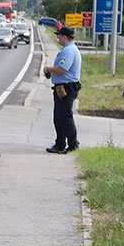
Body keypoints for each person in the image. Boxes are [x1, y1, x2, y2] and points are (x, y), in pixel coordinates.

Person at [43, 24, 82, 154]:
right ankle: (60, 143)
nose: (58, 39)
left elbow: (62, 69)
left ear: (64, 37)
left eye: (59, 36)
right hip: (63, 88)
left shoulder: (69, 51)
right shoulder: (69, 49)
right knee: (59, 117)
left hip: (67, 89)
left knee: (65, 117)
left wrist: (48, 69)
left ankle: (72, 144)